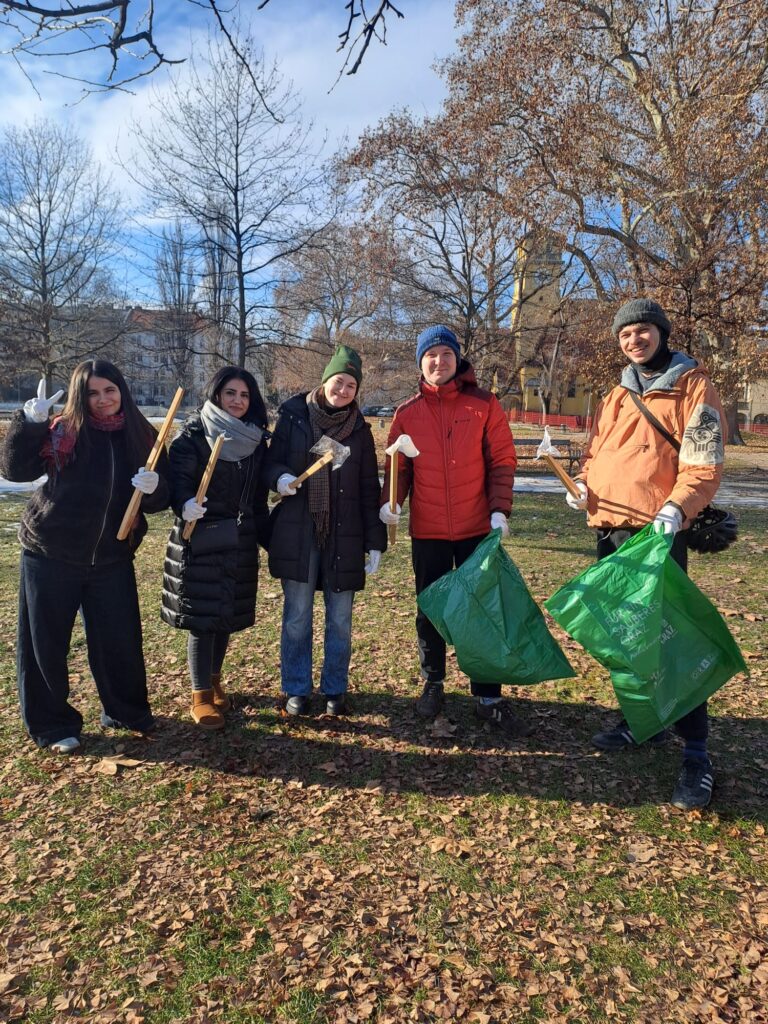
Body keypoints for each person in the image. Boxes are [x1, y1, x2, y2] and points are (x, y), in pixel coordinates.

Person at [566, 297, 726, 810]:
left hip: (657, 534)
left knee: (668, 638)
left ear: (660, 332)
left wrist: (677, 509)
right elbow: (596, 452)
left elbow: (703, 462)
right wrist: (584, 485)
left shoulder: (692, 385)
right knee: (625, 636)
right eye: (625, 334)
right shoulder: (616, 393)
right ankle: (644, 722)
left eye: (641, 331)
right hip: (609, 528)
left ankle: (696, 753)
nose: (633, 340)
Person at [0, 360, 170, 753]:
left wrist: (155, 485)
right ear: (81, 395)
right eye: (92, 393)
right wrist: (30, 423)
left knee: (119, 640)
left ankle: (124, 710)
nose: (102, 400)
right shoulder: (63, 430)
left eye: (109, 390)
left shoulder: (143, 435)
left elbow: (161, 501)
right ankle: (52, 724)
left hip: (112, 555)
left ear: (121, 390)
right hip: (51, 551)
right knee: (46, 642)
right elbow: (16, 470)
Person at [380, 325, 525, 736]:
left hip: (476, 527)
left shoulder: (483, 404)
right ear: (420, 362)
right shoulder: (407, 413)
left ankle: (487, 694)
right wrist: (389, 503)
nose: (438, 362)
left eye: (446, 354)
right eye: (431, 355)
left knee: (482, 611)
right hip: (428, 531)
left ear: (456, 360)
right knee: (430, 609)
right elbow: (397, 468)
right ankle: (434, 682)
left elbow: (501, 460)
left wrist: (499, 511)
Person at [263, 345, 386, 716]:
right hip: (299, 531)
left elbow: (368, 487)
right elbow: (272, 462)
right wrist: (280, 478)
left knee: (340, 620)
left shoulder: (360, 430)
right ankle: (297, 688)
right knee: (297, 616)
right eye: (338, 381)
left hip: (344, 535)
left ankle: (335, 688)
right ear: (325, 381)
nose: (343, 390)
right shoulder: (294, 416)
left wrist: (375, 541)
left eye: (351, 385)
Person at [161, 367, 270, 729]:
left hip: (238, 540)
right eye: (230, 394)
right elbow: (177, 482)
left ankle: (215, 678)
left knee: (225, 616)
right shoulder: (194, 435)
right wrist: (183, 503)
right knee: (202, 620)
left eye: (244, 395)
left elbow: (256, 498)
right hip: (202, 538)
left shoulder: (255, 441)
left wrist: (267, 535)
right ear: (216, 395)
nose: (238, 401)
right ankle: (200, 695)